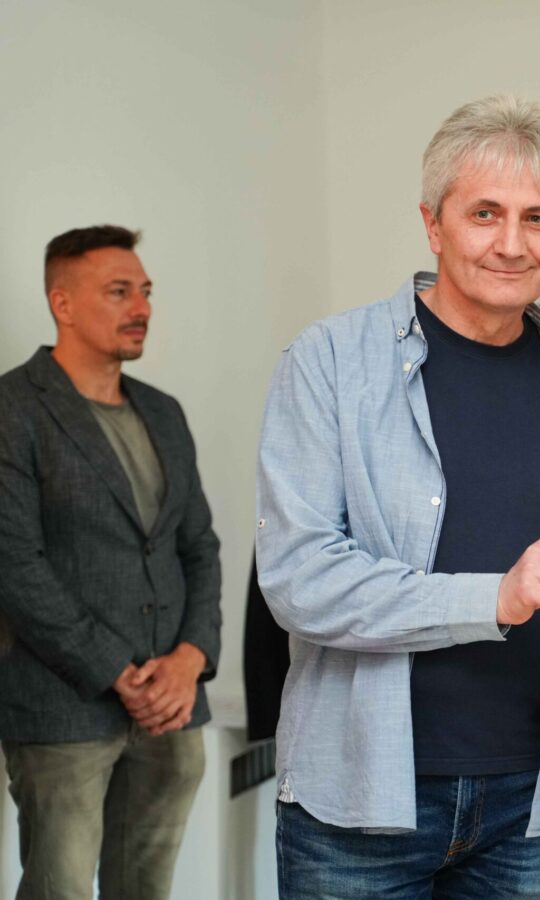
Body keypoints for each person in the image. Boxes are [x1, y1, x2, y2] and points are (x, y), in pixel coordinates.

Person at [256, 95, 540, 900]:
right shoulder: (329, 362)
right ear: (432, 224)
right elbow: (300, 578)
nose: (511, 243)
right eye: (484, 214)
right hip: (360, 804)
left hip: (530, 804)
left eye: (537, 219)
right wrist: (494, 597)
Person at [0, 225, 222, 900]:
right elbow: (16, 566)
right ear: (62, 303)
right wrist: (118, 673)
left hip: (173, 711)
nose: (142, 308)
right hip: (63, 713)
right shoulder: (13, 409)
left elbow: (198, 547)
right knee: (59, 891)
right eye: (119, 292)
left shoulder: (164, 412)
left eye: (146, 292)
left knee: (147, 890)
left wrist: (190, 660)